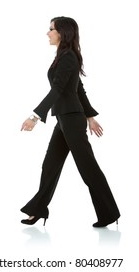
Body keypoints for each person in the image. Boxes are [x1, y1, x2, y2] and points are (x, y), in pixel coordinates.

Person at [20, 16, 120, 227]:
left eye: (51, 29)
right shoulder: (64, 56)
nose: (47, 33)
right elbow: (78, 89)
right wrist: (91, 117)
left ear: (62, 33)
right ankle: (38, 210)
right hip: (65, 120)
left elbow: (57, 91)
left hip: (72, 121)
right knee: (50, 166)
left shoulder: (68, 58)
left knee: (88, 168)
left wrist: (34, 117)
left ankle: (109, 213)